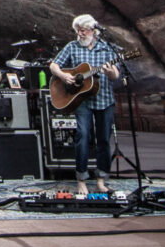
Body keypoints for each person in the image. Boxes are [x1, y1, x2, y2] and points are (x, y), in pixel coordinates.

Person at [49, 14, 121, 197]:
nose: (80, 34)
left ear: (93, 31)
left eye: (84, 30)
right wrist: (64, 76)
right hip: (82, 101)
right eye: (78, 30)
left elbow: (115, 77)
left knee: (104, 140)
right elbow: (54, 65)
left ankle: (101, 180)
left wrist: (111, 72)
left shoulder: (106, 48)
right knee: (83, 136)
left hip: (104, 99)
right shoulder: (72, 47)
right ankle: (81, 179)